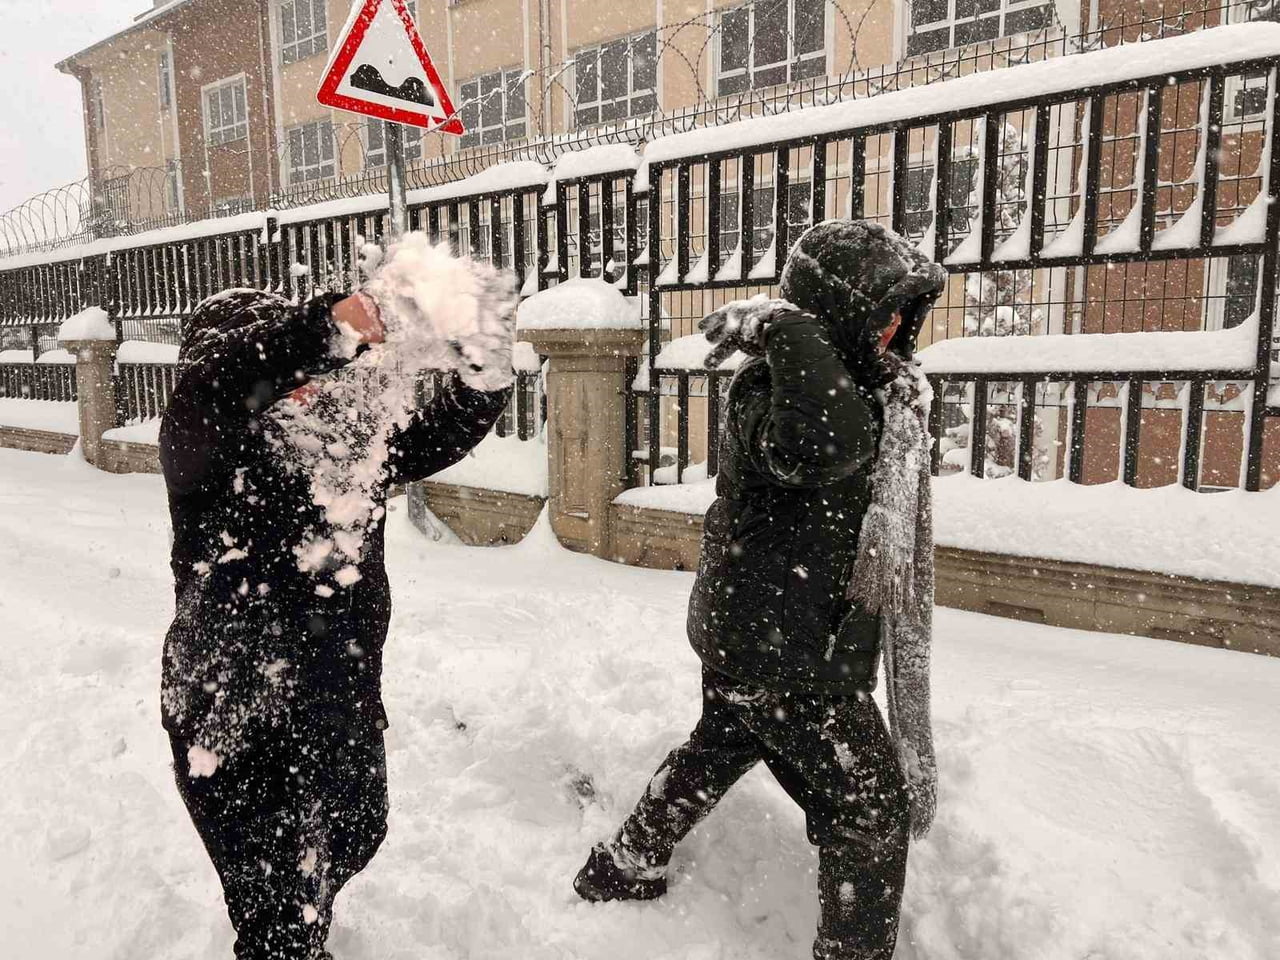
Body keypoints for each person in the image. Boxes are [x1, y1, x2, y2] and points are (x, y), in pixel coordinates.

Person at [573, 219, 946, 960]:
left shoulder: (866, 391)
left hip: (765, 634)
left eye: (904, 312)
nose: (895, 327)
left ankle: (624, 865)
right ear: (834, 312)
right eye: (881, 310)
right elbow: (822, 447)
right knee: (871, 811)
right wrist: (792, 330)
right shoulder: (770, 386)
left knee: (722, 744)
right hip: (785, 651)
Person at [159, 275, 514, 960]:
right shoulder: (199, 436)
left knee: (358, 828)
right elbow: (231, 380)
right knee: (278, 909)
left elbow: (426, 440)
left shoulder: (330, 446)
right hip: (234, 705)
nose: (301, 386)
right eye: (279, 370)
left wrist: (483, 380)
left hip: (335, 685)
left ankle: (305, 917)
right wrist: (329, 327)